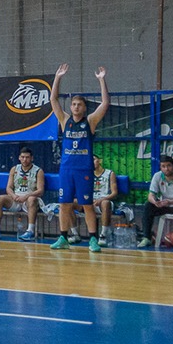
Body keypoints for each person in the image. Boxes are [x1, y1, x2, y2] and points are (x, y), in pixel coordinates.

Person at [49, 64, 110, 252]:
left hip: (83, 169)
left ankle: (92, 239)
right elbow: (53, 99)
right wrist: (58, 77)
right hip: (66, 169)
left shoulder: (90, 121)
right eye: (74, 104)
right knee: (64, 204)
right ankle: (63, 237)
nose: (76, 107)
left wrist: (101, 80)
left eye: (79, 104)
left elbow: (105, 103)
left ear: (84, 107)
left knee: (87, 204)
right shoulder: (64, 120)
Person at [0, 147, 45, 240]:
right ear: (19, 158)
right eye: (23, 157)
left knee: (32, 199)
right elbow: (8, 187)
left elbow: (40, 190)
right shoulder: (14, 169)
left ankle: (30, 231)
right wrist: (13, 195)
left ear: (32, 158)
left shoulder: (38, 171)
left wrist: (26, 196)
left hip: (29, 199)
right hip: (16, 198)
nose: (25, 159)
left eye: (27, 157)